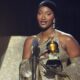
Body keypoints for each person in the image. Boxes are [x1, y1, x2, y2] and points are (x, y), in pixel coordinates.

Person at [19, 0, 80, 80]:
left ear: (54, 17)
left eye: (48, 14)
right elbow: (24, 73)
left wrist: (56, 70)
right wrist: (37, 60)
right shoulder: (30, 41)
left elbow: (78, 71)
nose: (43, 17)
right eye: (40, 13)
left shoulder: (66, 39)